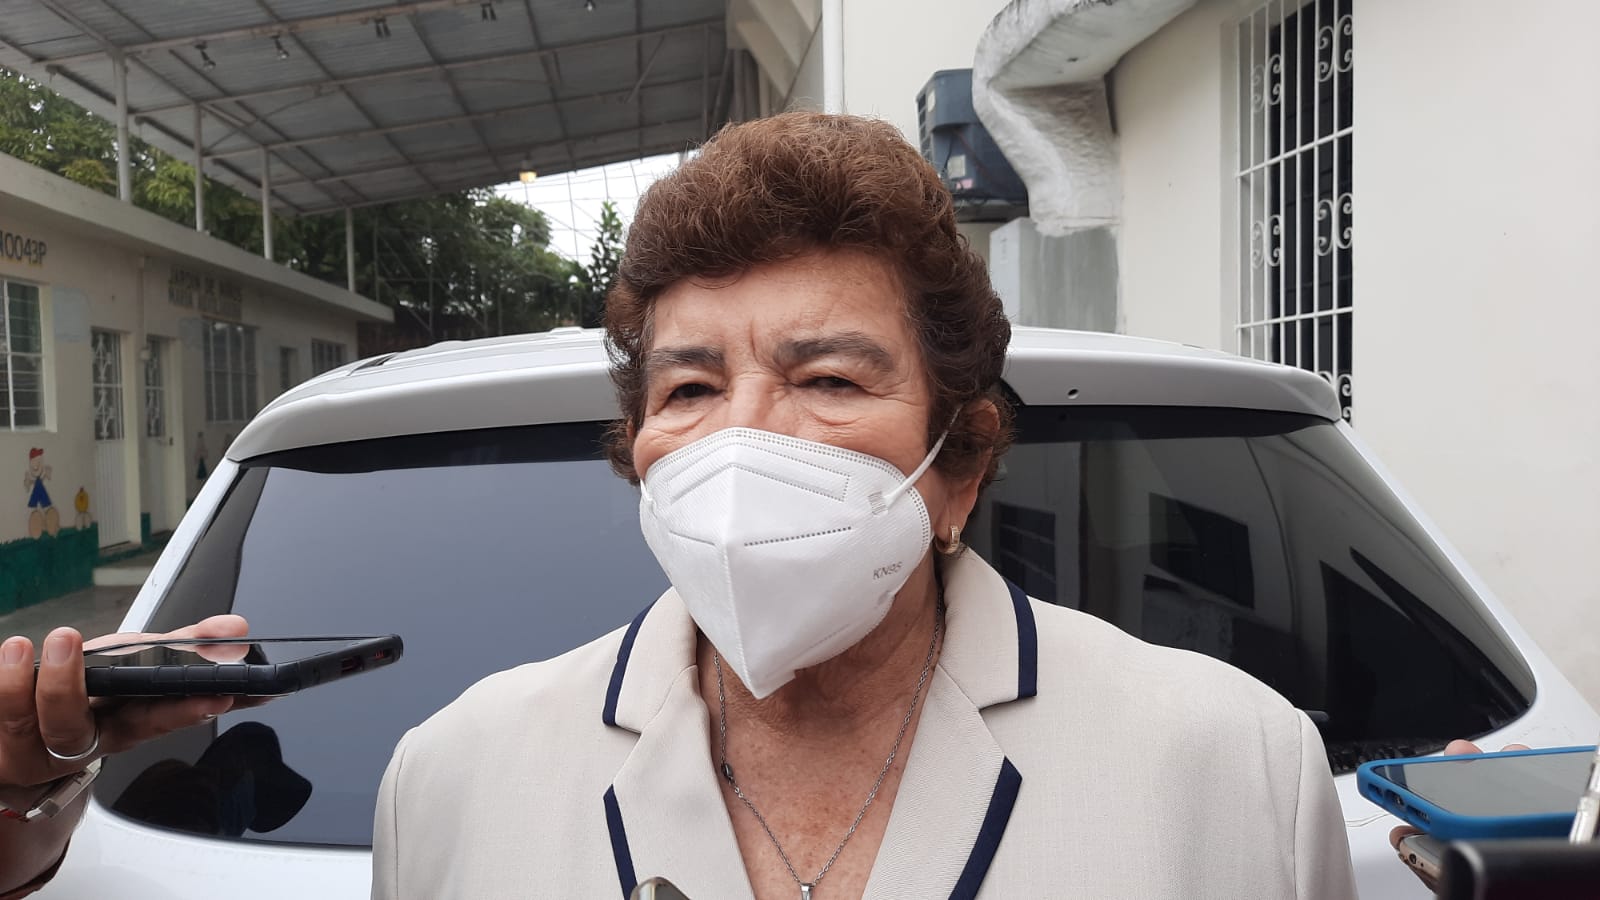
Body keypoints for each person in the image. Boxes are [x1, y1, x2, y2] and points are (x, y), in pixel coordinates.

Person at [368, 112, 1354, 899]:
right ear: (638, 447)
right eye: (690, 389)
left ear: (959, 465)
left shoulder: (1231, 768)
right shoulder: (453, 782)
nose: (741, 438)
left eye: (829, 380)